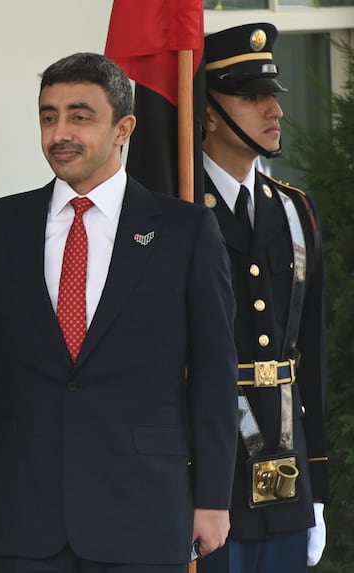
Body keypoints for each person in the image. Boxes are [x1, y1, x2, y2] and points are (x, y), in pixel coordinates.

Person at [0, 52, 239, 573]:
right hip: (24, 514)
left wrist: (214, 497)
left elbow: (215, 375)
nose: (59, 132)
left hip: (144, 509)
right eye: (48, 116)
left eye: (79, 116)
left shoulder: (186, 231)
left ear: (123, 128)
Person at [198, 23, 329, 573]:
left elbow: (311, 358)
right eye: (251, 96)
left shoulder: (295, 210)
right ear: (209, 111)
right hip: (208, 486)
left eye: (272, 95)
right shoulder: (175, 212)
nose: (272, 110)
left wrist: (317, 485)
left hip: (286, 482)